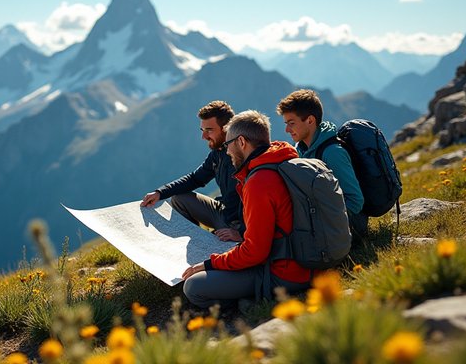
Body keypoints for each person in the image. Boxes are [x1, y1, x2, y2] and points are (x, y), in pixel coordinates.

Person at [182, 110, 311, 309]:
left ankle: (249, 303)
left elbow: (254, 253)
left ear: (241, 142)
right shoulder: (282, 160)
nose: (226, 151)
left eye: (228, 145)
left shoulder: (258, 182)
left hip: (283, 272)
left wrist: (208, 264)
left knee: (193, 287)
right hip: (306, 261)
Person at [140, 100, 244, 242]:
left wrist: (241, 232)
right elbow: (195, 179)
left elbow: (261, 203)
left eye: (209, 130)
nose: (204, 137)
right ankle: (198, 242)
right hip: (224, 212)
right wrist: (160, 192)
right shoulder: (217, 153)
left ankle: (220, 243)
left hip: (239, 224)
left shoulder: (242, 155)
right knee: (179, 198)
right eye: (203, 130)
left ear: (227, 128)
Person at [276, 89, 367, 240]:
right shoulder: (299, 149)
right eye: (286, 124)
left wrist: (319, 218)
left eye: (291, 123)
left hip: (348, 224)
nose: (287, 130)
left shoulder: (332, 153)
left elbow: (356, 201)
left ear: (310, 120)